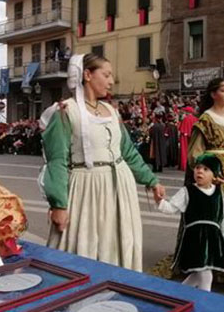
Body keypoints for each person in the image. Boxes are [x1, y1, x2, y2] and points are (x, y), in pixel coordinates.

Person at [41, 54, 166, 272]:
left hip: (119, 187)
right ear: (87, 75)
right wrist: (59, 204)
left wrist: (152, 181)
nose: (111, 81)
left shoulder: (112, 112)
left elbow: (128, 152)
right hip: (85, 188)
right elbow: (57, 160)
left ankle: (116, 287)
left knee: (117, 243)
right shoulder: (66, 111)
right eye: (106, 75)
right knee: (80, 247)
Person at [153, 77, 224, 288]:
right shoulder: (205, 120)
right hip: (214, 174)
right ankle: (206, 265)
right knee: (211, 215)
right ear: (213, 94)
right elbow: (195, 153)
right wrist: (210, 172)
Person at [158, 153, 224, 292]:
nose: (200, 171)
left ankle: (178, 294)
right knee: (205, 275)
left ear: (214, 176)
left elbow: (223, 219)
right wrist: (159, 200)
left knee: (198, 274)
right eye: (197, 168)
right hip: (195, 239)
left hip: (212, 240)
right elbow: (171, 208)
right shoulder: (187, 191)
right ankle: (204, 300)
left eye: (206, 169)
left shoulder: (218, 195)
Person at [178, 107, 198, 171]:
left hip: (185, 135)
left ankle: (184, 165)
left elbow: (181, 129)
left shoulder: (185, 119)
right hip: (193, 136)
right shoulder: (195, 119)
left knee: (184, 150)